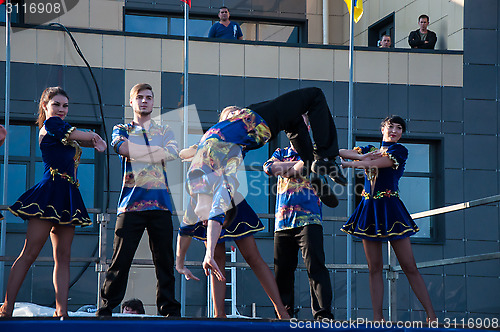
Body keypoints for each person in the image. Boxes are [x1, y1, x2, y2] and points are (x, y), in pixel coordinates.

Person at [182, 87, 346, 291]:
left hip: (256, 122)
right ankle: (326, 159)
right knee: (315, 95)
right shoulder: (224, 178)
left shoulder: (197, 176)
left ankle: (312, 170)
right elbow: (215, 218)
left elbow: (183, 232)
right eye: (229, 114)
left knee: (295, 122)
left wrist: (180, 265)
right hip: (257, 121)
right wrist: (209, 253)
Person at [0, 87, 106, 318]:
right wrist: (95, 138)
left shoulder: (63, 128)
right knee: (29, 253)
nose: (61, 109)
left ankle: (62, 313)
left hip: (66, 196)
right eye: (56, 104)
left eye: (65, 105)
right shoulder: (52, 125)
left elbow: (81, 141)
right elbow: (84, 137)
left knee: (64, 257)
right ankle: (7, 308)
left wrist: (92, 139)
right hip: (49, 194)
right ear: (45, 105)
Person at [339, 115, 436, 322]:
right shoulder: (368, 150)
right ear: (382, 128)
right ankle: (377, 317)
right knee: (374, 267)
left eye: (399, 128)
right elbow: (341, 152)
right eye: (391, 126)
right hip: (369, 208)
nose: (394, 130)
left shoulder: (399, 151)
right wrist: (322, 149)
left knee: (409, 265)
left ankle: (431, 314)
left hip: (390, 209)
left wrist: (349, 164)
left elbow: (380, 163)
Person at [96, 83, 181, 317]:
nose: (144, 101)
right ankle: (106, 307)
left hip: (160, 205)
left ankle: (169, 309)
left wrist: (138, 150)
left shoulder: (165, 131)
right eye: (140, 97)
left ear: (154, 102)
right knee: (119, 261)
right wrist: (154, 151)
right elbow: (121, 148)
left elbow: (172, 152)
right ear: (131, 102)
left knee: (164, 261)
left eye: (149, 98)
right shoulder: (121, 128)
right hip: (129, 205)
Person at [176, 191, 290, 319]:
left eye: (207, 221)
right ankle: (219, 314)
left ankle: (282, 311)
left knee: (252, 257)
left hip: (233, 206)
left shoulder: (222, 199)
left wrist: (209, 254)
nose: (203, 224)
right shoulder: (193, 206)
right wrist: (180, 266)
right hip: (211, 203)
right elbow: (183, 233)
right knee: (216, 260)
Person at [263, 141, 334, 320]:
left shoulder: (316, 151)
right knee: (282, 271)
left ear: (307, 127)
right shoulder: (280, 152)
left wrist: (287, 170)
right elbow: (269, 168)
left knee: (316, 267)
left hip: (310, 220)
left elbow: (319, 167)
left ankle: (322, 314)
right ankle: (284, 314)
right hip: (282, 223)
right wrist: (296, 166)